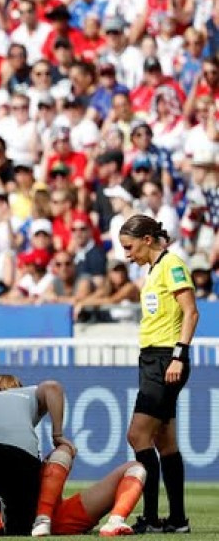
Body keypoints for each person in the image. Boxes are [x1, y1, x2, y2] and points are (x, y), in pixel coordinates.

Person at [0, 374, 145, 538]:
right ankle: (114, 520)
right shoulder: (26, 396)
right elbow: (52, 387)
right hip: (57, 513)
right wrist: (57, 435)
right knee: (132, 467)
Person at [119, 215, 197, 534]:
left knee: (137, 435)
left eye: (129, 246)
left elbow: (191, 311)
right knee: (165, 443)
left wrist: (179, 355)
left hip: (166, 359)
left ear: (147, 240)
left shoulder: (172, 265)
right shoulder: (154, 271)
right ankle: (177, 520)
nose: (127, 254)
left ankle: (150, 517)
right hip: (153, 358)